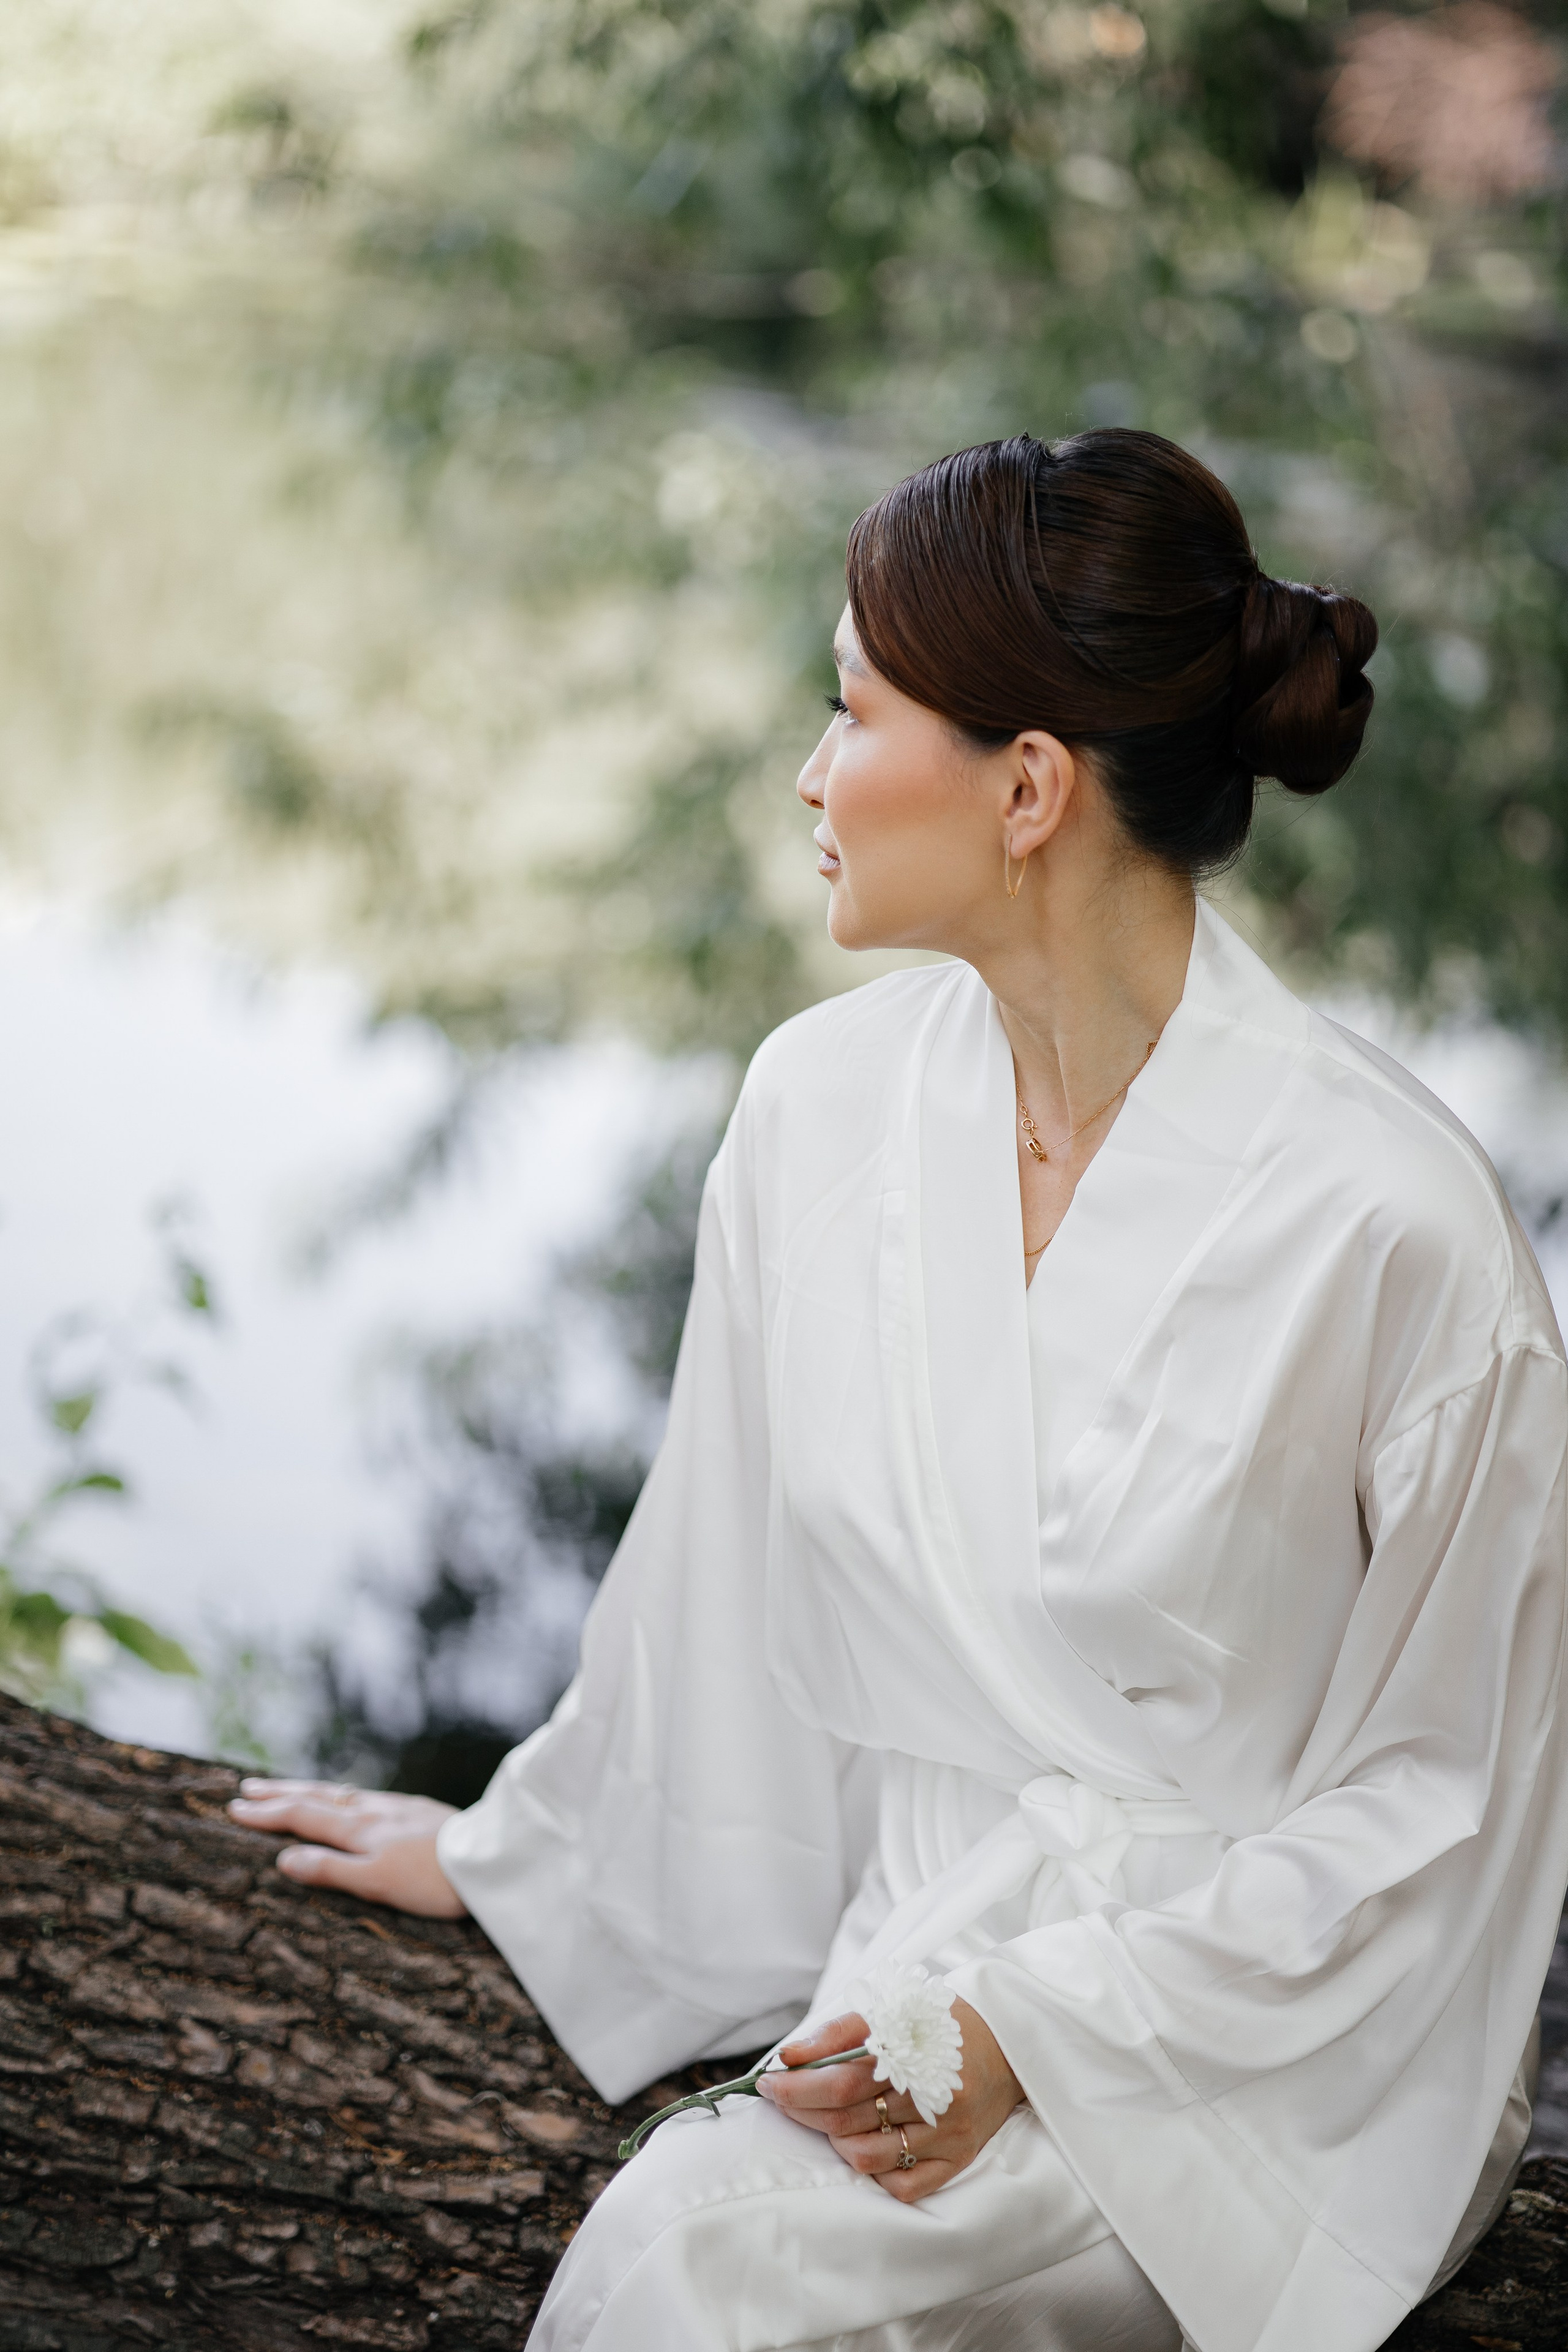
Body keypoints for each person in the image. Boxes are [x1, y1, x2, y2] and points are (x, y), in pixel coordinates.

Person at [230, 430, 1568, 2352]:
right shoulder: (816, 1113)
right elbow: (721, 1589)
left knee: (707, 2265)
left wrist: (1047, 2028)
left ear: (1029, 787)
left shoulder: (1401, 1232)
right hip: (919, 1956)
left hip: (1270, 2043)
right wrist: (532, 1859)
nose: (809, 771)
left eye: (854, 708)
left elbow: (1452, 1803)